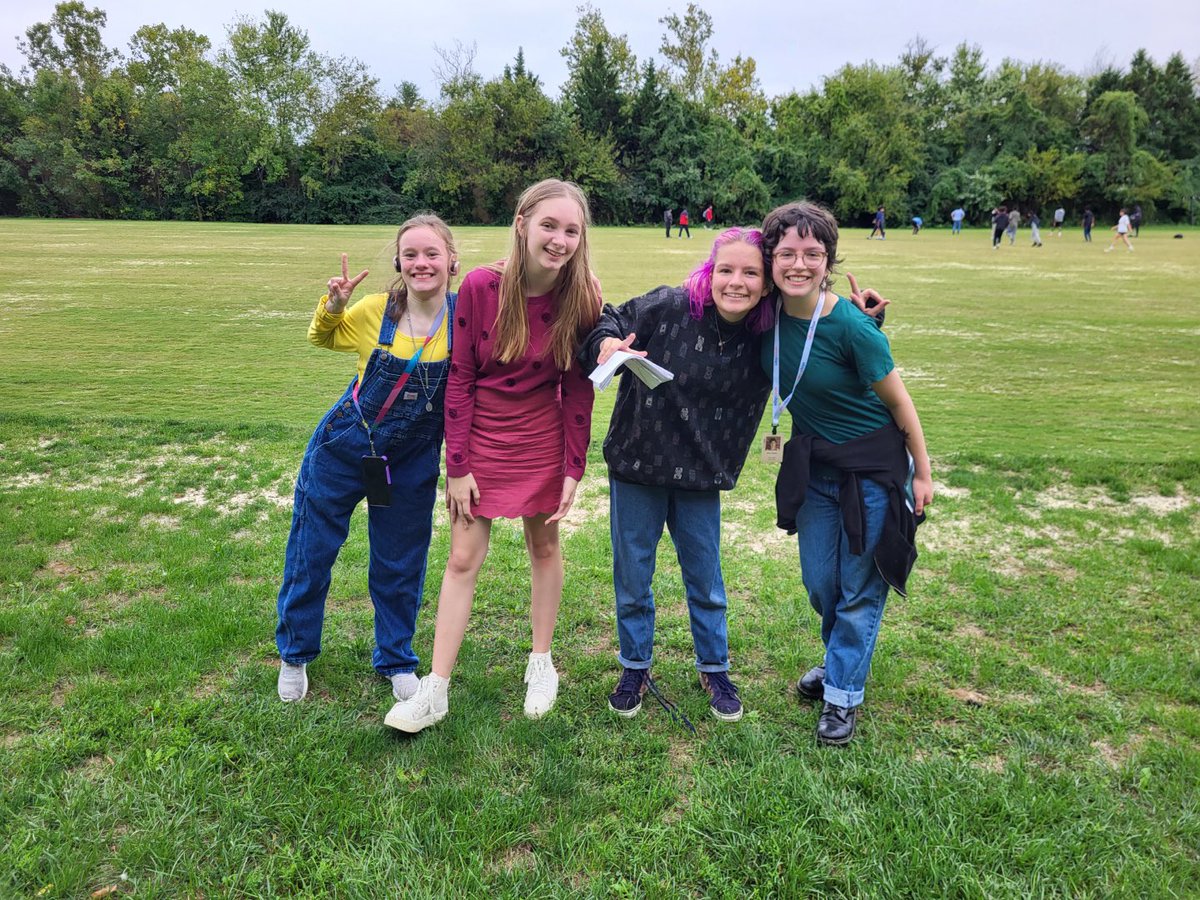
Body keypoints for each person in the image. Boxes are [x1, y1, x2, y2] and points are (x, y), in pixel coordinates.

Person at [579, 227, 889, 726]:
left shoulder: (768, 333)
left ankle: (714, 668)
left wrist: (865, 321)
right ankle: (635, 667)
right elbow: (609, 317)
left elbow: (831, 350)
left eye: (750, 272)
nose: (736, 282)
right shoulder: (670, 305)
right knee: (633, 576)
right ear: (710, 270)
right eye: (726, 270)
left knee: (706, 580)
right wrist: (607, 341)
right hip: (638, 464)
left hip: (702, 475)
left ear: (767, 283)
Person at [385, 179, 602, 733]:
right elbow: (460, 379)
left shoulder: (584, 294)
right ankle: (434, 691)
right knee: (462, 559)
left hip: (543, 440)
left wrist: (574, 467)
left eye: (570, 230)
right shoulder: (483, 286)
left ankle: (541, 663)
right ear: (522, 223)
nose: (558, 240)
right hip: (482, 440)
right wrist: (457, 467)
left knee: (544, 545)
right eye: (548, 226)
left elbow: (579, 387)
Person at [761, 201, 931, 746]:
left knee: (859, 588)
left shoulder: (853, 326)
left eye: (812, 253)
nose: (798, 264)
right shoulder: (765, 314)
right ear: (770, 258)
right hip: (816, 470)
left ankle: (842, 696)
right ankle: (841, 665)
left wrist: (922, 475)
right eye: (786, 252)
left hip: (873, 472)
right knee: (821, 583)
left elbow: (902, 406)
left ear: (828, 259)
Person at [275, 214, 460, 704]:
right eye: (411, 255)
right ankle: (294, 653)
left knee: (400, 562)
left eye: (431, 253)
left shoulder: (466, 320)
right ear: (399, 262)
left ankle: (397, 659)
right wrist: (333, 305)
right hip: (342, 449)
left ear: (451, 260)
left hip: (412, 462)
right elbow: (323, 336)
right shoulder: (376, 309)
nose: (421, 263)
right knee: (311, 551)